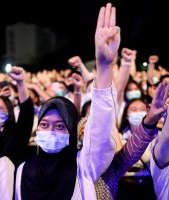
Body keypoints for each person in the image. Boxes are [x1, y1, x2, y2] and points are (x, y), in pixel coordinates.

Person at [15, 3, 120, 199]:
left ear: (72, 132)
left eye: (60, 126)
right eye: (44, 125)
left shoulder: (85, 165)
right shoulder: (22, 170)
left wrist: (104, 67)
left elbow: (100, 129)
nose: (50, 132)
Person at [0, 66, 34, 166]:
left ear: (9, 113)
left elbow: (26, 112)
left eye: (0, 108)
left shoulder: (15, 135)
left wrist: (20, 83)